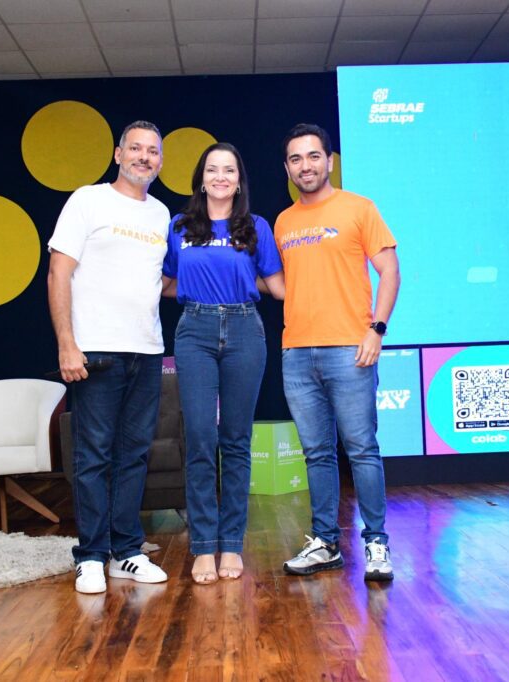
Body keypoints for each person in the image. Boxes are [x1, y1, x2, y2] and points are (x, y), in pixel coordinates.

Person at [47, 120, 171, 593]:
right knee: (94, 455)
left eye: (152, 151)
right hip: (95, 349)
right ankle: (91, 555)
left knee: (134, 455)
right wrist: (67, 343)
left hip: (147, 349)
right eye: (135, 148)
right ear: (118, 154)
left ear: (160, 161)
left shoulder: (161, 214)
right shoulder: (87, 200)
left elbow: (158, 280)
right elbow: (58, 273)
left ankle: (127, 551)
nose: (144, 157)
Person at [274, 123, 401, 582]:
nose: (305, 166)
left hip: (350, 349)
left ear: (329, 161)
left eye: (313, 156)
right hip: (296, 352)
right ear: (287, 168)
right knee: (317, 454)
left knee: (362, 450)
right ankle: (325, 543)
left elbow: (390, 270)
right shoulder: (283, 222)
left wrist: (376, 330)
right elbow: (286, 284)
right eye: (295, 159)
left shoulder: (358, 208)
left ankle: (377, 544)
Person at [162, 142, 285, 584]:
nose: (220, 177)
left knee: (235, 440)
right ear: (201, 178)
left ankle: (231, 543)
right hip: (194, 331)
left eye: (228, 170)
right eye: (212, 169)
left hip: (245, 330)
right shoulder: (179, 226)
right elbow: (166, 284)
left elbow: (279, 286)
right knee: (199, 439)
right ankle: (202, 547)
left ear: (238, 180)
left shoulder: (255, 227)